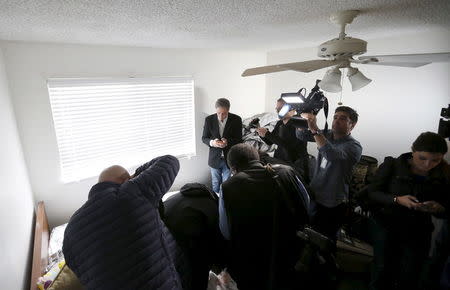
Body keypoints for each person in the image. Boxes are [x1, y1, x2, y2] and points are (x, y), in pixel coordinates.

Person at [63, 155, 184, 290]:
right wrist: (135, 177)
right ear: (126, 180)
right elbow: (169, 161)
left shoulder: (70, 230)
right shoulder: (131, 192)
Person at [219, 143, 310, 290]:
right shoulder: (287, 171)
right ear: (257, 158)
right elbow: (305, 203)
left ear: (233, 169)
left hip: (253, 258)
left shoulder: (228, 187)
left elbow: (226, 231)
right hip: (290, 248)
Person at [366, 132, 450, 290]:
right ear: (413, 150)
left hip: (418, 230)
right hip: (386, 225)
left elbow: (445, 209)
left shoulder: (443, 174)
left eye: (435, 160)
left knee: (412, 273)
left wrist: (439, 208)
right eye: (422, 158)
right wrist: (397, 199)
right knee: (382, 269)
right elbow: (373, 193)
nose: (427, 165)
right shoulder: (393, 165)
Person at [297, 106, 362, 241]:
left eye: (343, 119)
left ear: (352, 125)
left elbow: (330, 154)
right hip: (315, 193)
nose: (337, 121)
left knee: (325, 240)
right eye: (335, 117)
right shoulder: (327, 134)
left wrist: (315, 128)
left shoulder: (354, 147)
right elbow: (301, 135)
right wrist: (302, 119)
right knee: (309, 235)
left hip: (333, 201)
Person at [162, 183, 227, 290]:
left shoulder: (178, 195)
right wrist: (220, 267)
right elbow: (217, 240)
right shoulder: (213, 207)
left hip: (162, 232)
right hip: (183, 235)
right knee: (198, 268)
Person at [256, 98, 310, 182]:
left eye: (280, 109)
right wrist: (261, 133)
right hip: (280, 160)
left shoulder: (299, 123)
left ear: (291, 108)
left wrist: (267, 134)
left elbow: (289, 146)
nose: (278, 111)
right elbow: (270, 142)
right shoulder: (279, 123)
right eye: (277, 109)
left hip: (295, 163)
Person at [202, 98, 242, 193]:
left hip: (229, 158)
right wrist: (213, 143)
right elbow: (204, 138)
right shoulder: (209, 120)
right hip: (214, 158)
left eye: (223, 113)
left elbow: (239, 139)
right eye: (218, 113)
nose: (220, 116)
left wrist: (228, 142)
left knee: (227, 184)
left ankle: (224, 205)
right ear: (216, 110)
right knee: (215, 183)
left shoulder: (236, 119)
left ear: (228, 110)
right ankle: (215, 204)